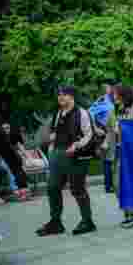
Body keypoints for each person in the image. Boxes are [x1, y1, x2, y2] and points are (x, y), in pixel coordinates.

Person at [36, 86, 97, 237]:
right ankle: (56, 222)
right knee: (52, 187)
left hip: (76, 156)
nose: (61, 98)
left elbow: (89, 135)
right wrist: (52, 143)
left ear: (72, 96)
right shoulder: (58, 113)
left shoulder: (82, 113)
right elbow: (55, 132)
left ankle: (87, 221)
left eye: (64, 95)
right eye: (59, 95)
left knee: (77, 189)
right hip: (58, 154)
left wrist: (76, 146)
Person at [110, 85, 133, 228]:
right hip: (118, 150)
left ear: (124, 95)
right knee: (117, 184)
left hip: (131, 152)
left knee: (130, 183)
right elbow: (110, 128)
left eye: (116, 94)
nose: (114, 97)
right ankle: (127, 213)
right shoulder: (115, 111)